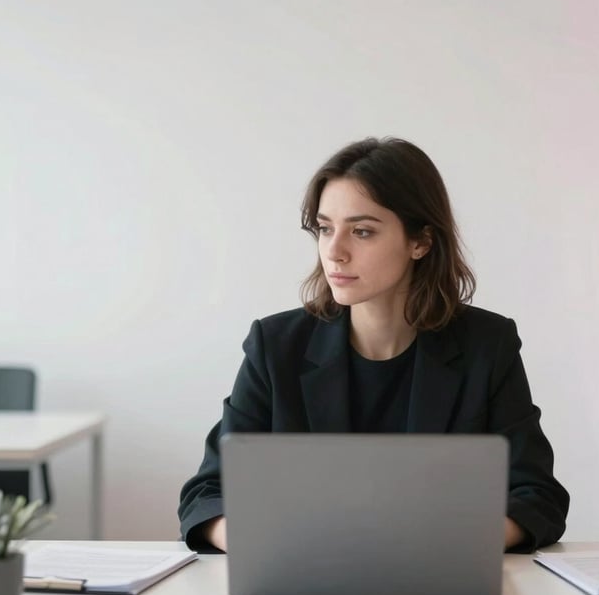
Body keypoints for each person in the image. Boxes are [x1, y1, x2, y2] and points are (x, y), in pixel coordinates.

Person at [178, 137, 569, 553]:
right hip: (303, 583)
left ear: (421, 241)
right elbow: (207, 493)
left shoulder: (487, 346)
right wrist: (256, 540)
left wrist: (451, 544)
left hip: (437, 582)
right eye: (325, 229)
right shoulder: (275, 346)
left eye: (362, 231)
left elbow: (538, 497)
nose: (334, 251)